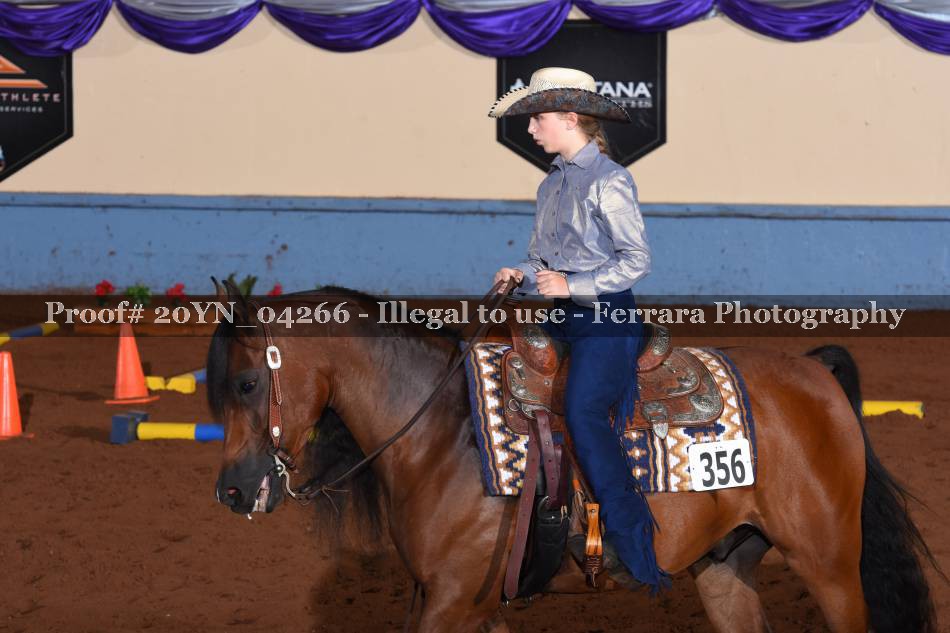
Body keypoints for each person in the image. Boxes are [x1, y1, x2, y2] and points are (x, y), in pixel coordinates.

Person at [489, 67, 669, 591]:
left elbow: (636, 260)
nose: (530, 129)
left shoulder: (611, 180)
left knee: (584, 411)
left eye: (538, 119)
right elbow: (542, 258)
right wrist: (520, 273)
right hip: (563, 317)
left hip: (607, 317)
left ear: (570, 119)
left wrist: (574, 285)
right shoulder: (551, 184)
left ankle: (629, 539)